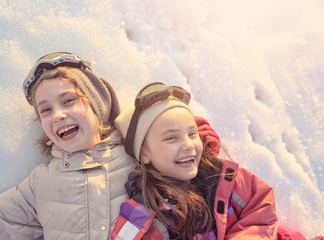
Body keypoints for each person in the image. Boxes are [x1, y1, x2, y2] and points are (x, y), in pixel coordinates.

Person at [0, 52, 137, 239]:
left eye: (68, 101)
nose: (57, 115)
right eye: (46, 110)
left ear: (97, 104)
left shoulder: (137, 159)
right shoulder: (41, 183)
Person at [111, 82, 278, 239]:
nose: (188, 145)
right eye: (171, 138)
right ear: (144, 154)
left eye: (192, 134)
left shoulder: (220, 176)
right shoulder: (141, 215)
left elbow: (260, 206)